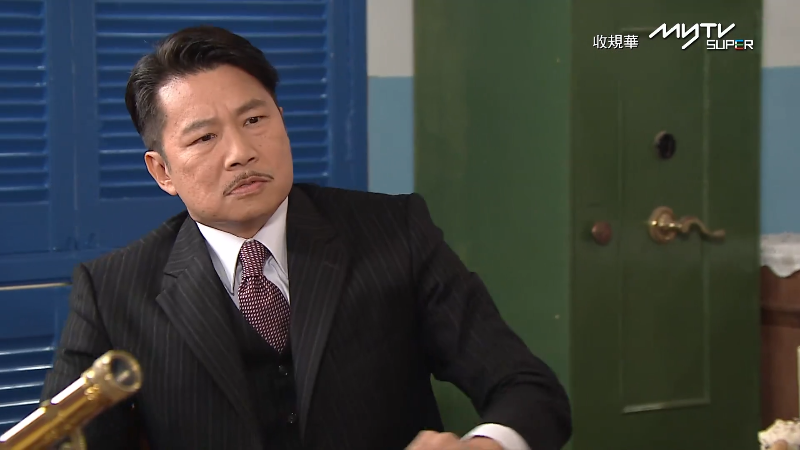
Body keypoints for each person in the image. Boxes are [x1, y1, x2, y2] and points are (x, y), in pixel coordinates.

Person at [40, 25, 571, 450]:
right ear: (162, 171)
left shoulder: (394, 231)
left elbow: (528, 388)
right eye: (204, 137)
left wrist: (484, 445)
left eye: (255, 119)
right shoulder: (112, 292)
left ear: (282, 119)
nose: (240, 152)